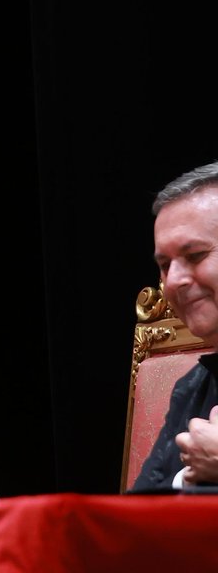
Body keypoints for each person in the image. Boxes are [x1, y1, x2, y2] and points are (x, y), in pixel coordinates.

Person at [132, 161, 218, 490]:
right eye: (165, 265)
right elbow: (140, 509)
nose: (174, 282)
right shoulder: (192, 386)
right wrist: (186, 475)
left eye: (195, 255)